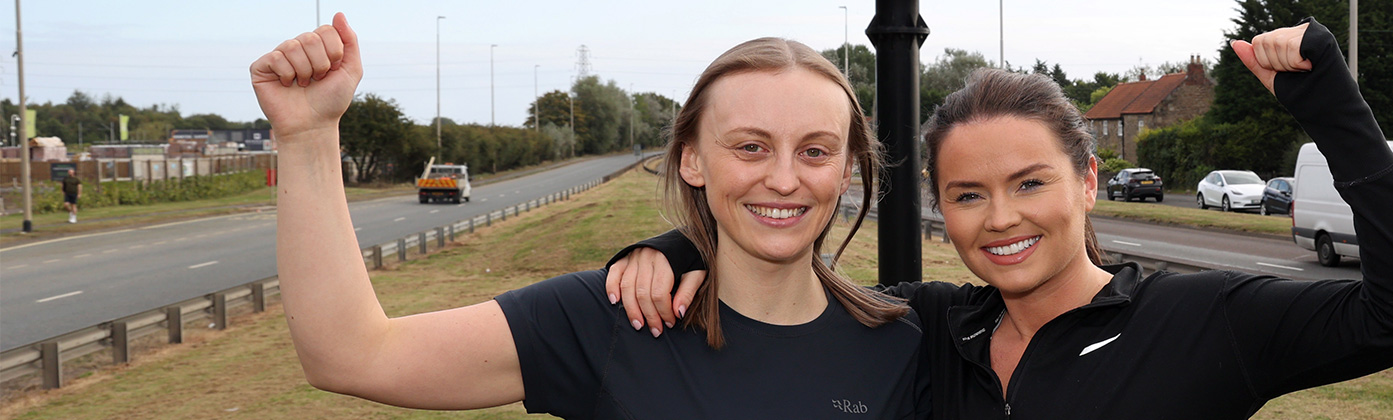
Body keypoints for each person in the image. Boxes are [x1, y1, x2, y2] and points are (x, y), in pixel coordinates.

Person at [606, 18, 1393, 419]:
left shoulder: (1204, 321)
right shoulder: (930, 326)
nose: (1001, 219)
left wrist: (1338, 117)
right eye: (969, 196)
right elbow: (790, 274)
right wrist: (679, 240)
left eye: (1030, 183)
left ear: (1089, 181)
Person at [253, 13, 922, 418]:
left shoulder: (912, 341)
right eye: (749, 146)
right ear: (691, 161)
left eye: (814, 150)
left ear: (846, 170)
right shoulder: (609, 321)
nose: (782, 178)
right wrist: (309, 136)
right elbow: (352, 355)